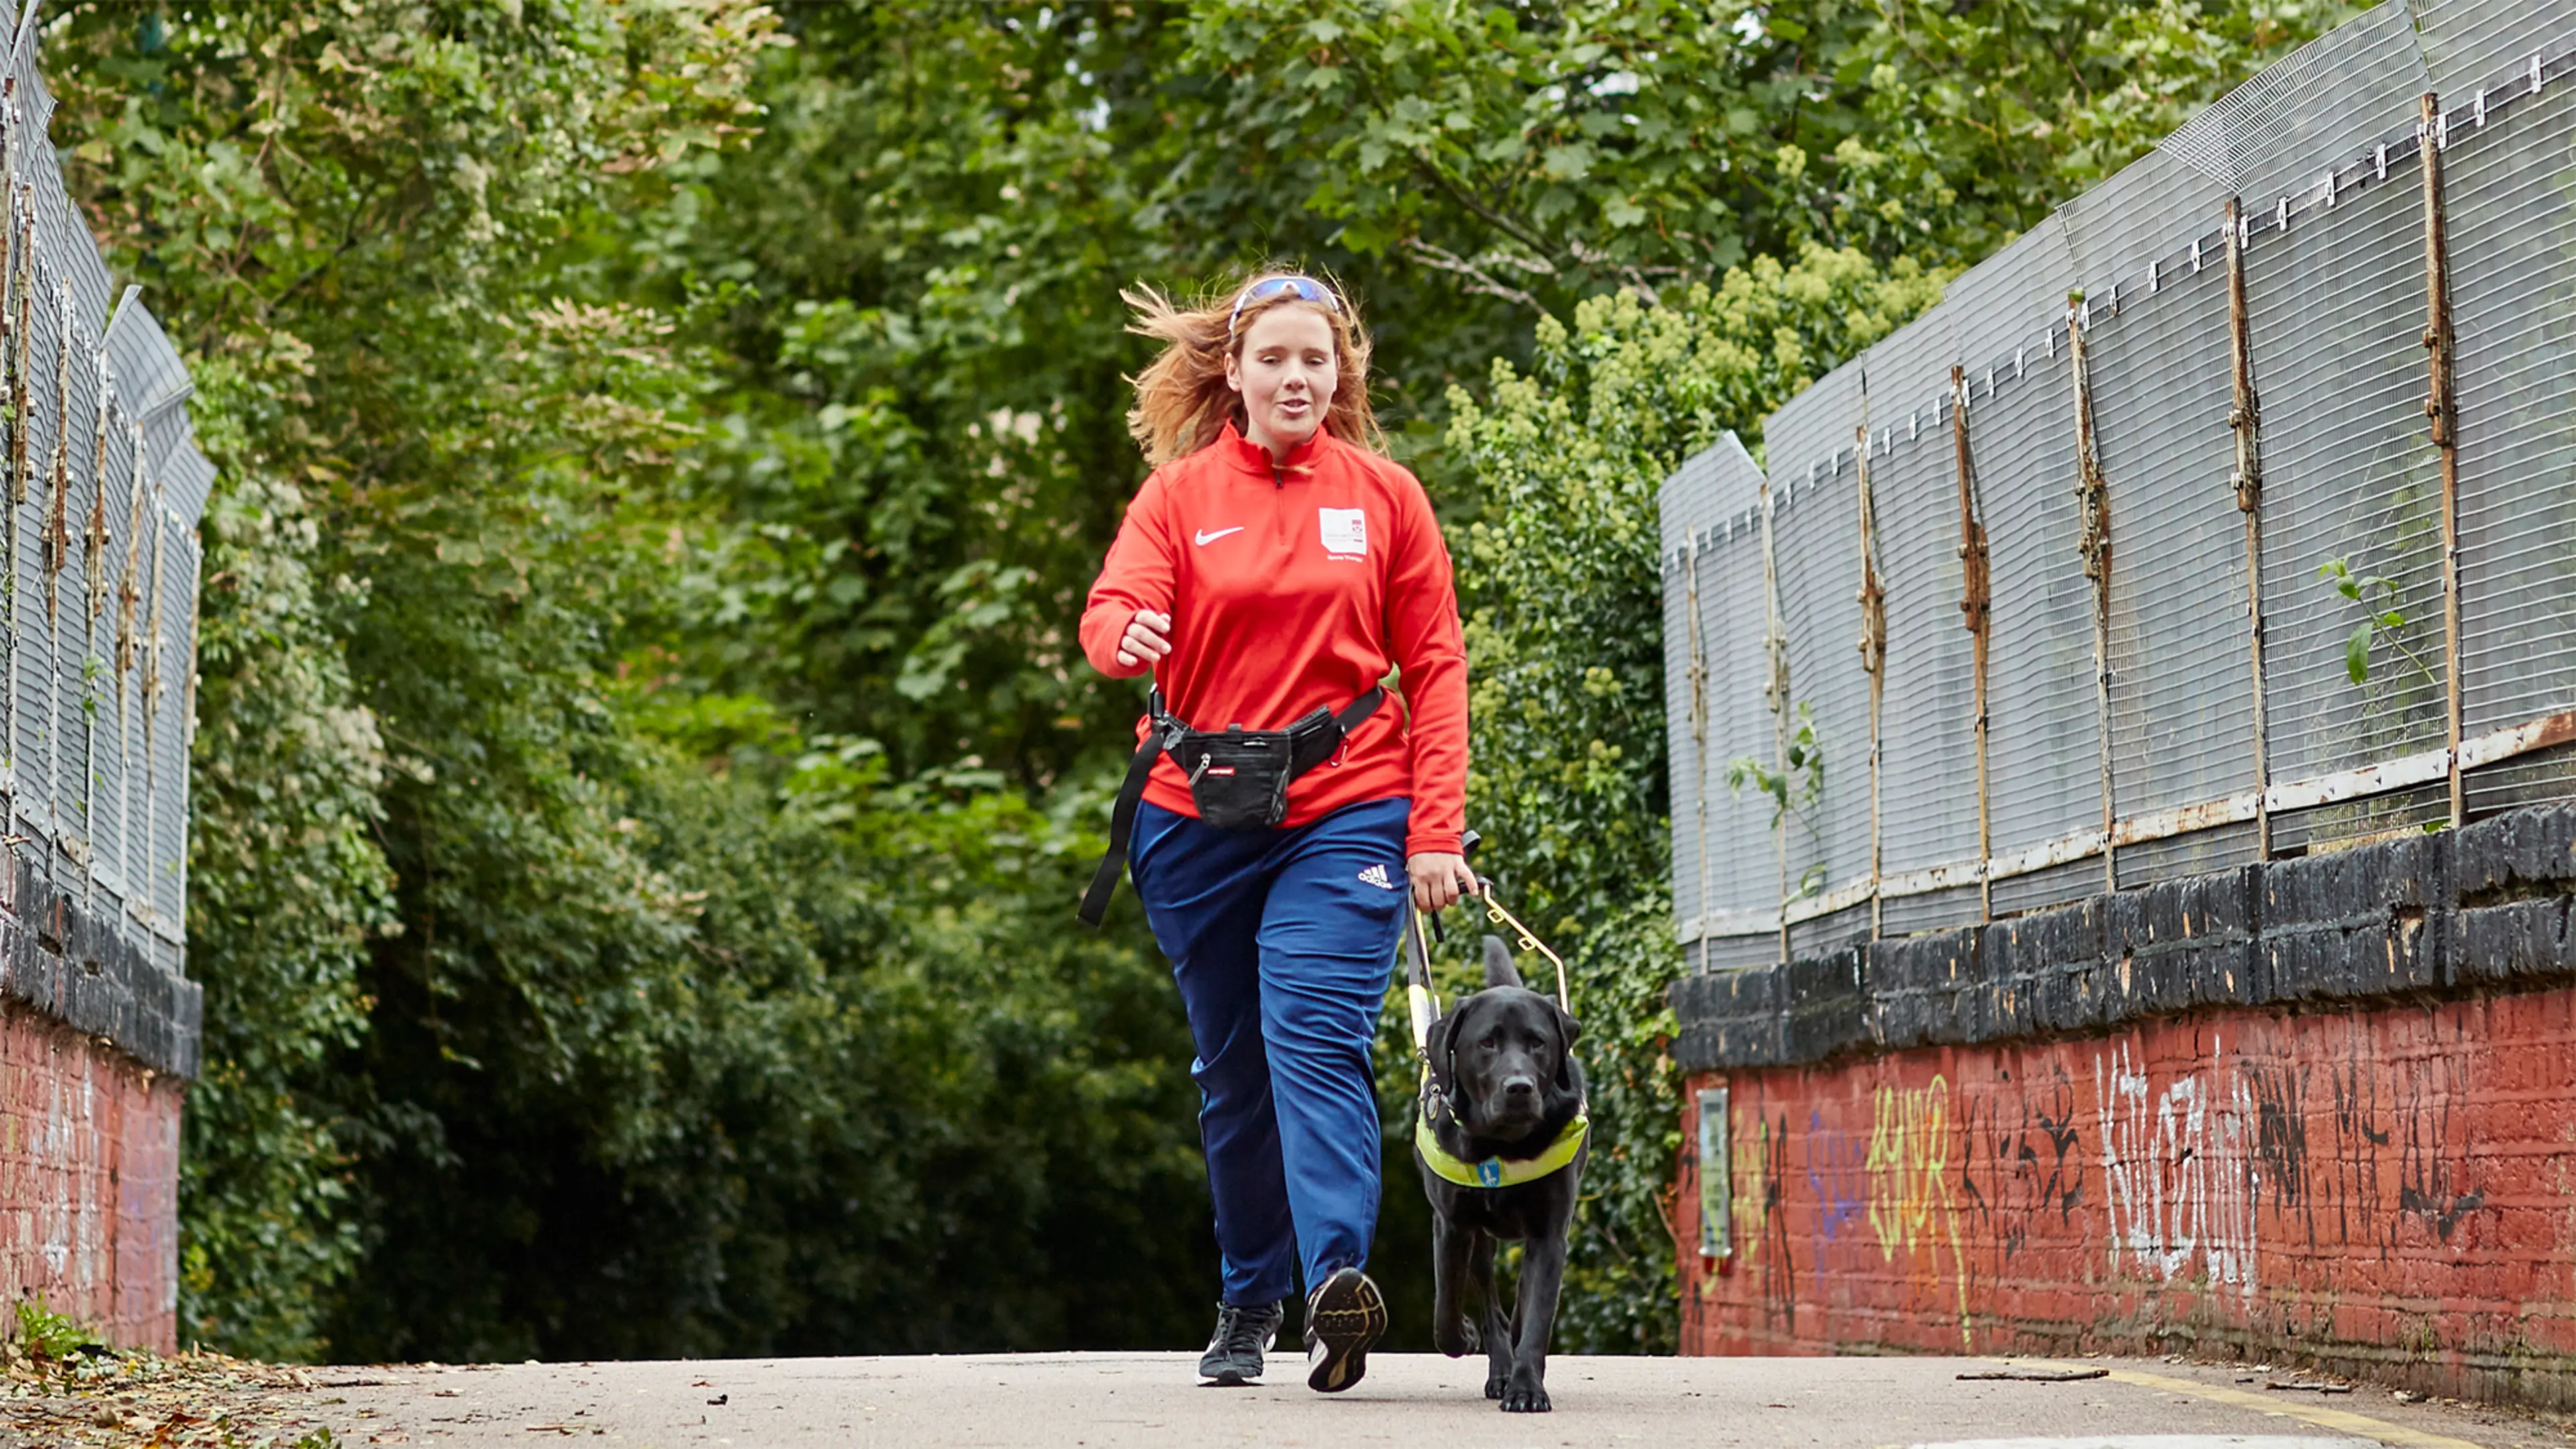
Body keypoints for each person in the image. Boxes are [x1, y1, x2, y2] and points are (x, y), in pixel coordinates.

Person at [1077, 270, 1475, 1393]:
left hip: (1348, 800)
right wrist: (1128, 636)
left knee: (1313, 1034)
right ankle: (1249, 1296)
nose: (1297, 377)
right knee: (1236, 1072)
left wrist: (1434, 828)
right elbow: (1109, 612)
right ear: (1235, 373)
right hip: (1195, 815)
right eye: (1275, 359)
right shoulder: (1178, 494)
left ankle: (1338, 1283)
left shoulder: (1387, 497)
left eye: (1317, 360)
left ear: (1340, 372)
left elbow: (1435, 667)